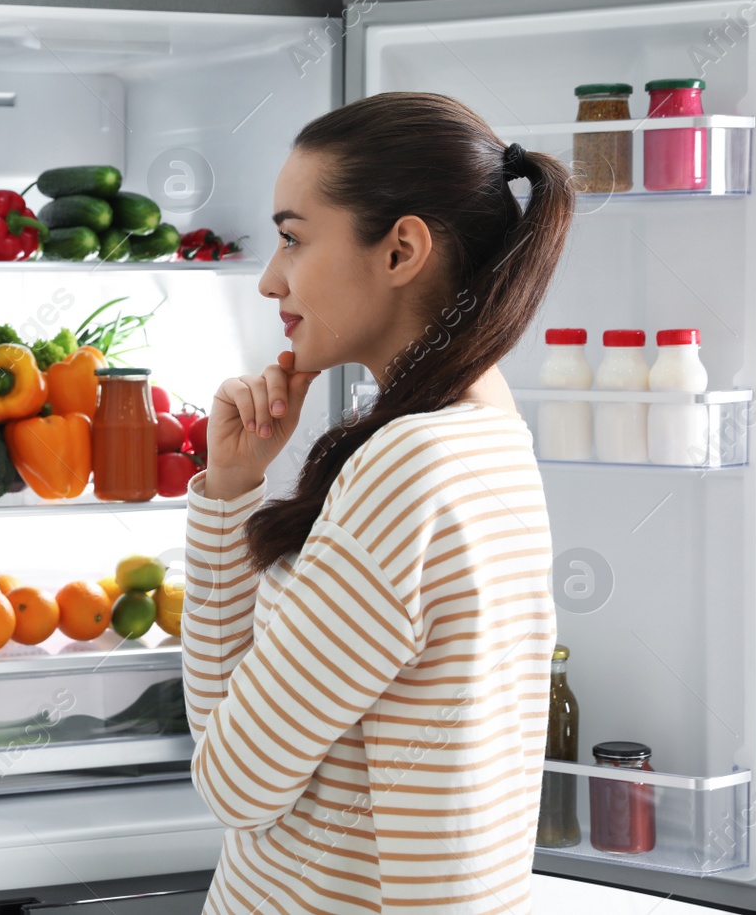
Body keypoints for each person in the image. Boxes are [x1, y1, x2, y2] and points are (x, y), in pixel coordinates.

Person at [183, 92, 571, 913]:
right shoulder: (489, 430)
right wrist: (232, 487)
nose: (268, 279)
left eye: (293, 238)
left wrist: (224, 506)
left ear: (401, 251)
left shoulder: (406, 465)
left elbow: (232, 782)